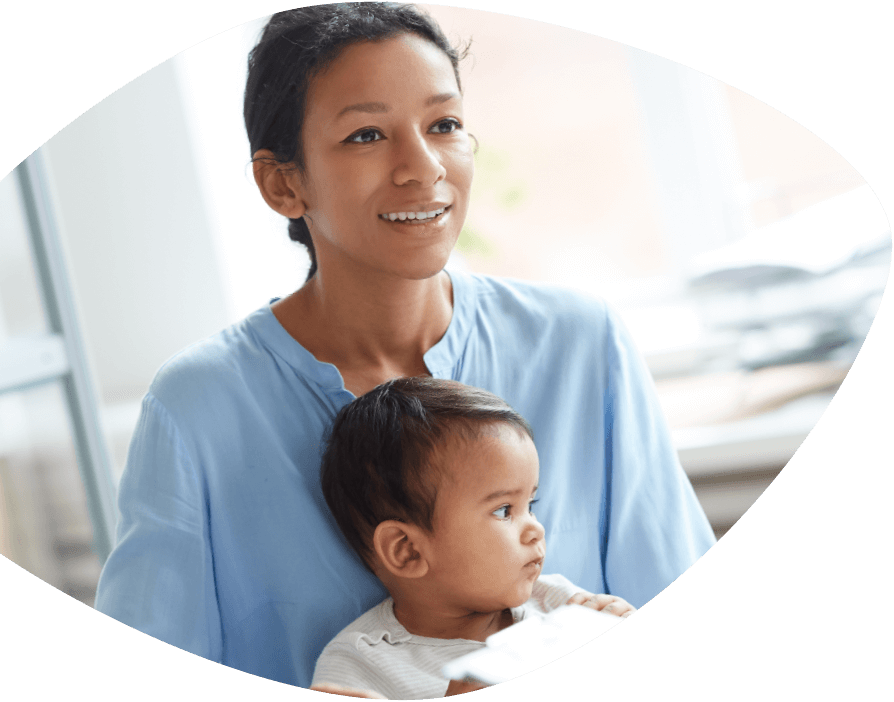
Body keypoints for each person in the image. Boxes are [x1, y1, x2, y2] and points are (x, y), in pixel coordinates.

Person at [93, 3, 716, 694]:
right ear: (282, 183)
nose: (423, 168)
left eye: (444, 125)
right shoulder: (198, 409)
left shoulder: (580, 344)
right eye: (366, 135)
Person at [313, 376, 636, 699]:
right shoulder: (359, 664)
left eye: (530, 505)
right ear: (407, 550)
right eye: (504, 510)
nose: (535, 529)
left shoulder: (560, 604)